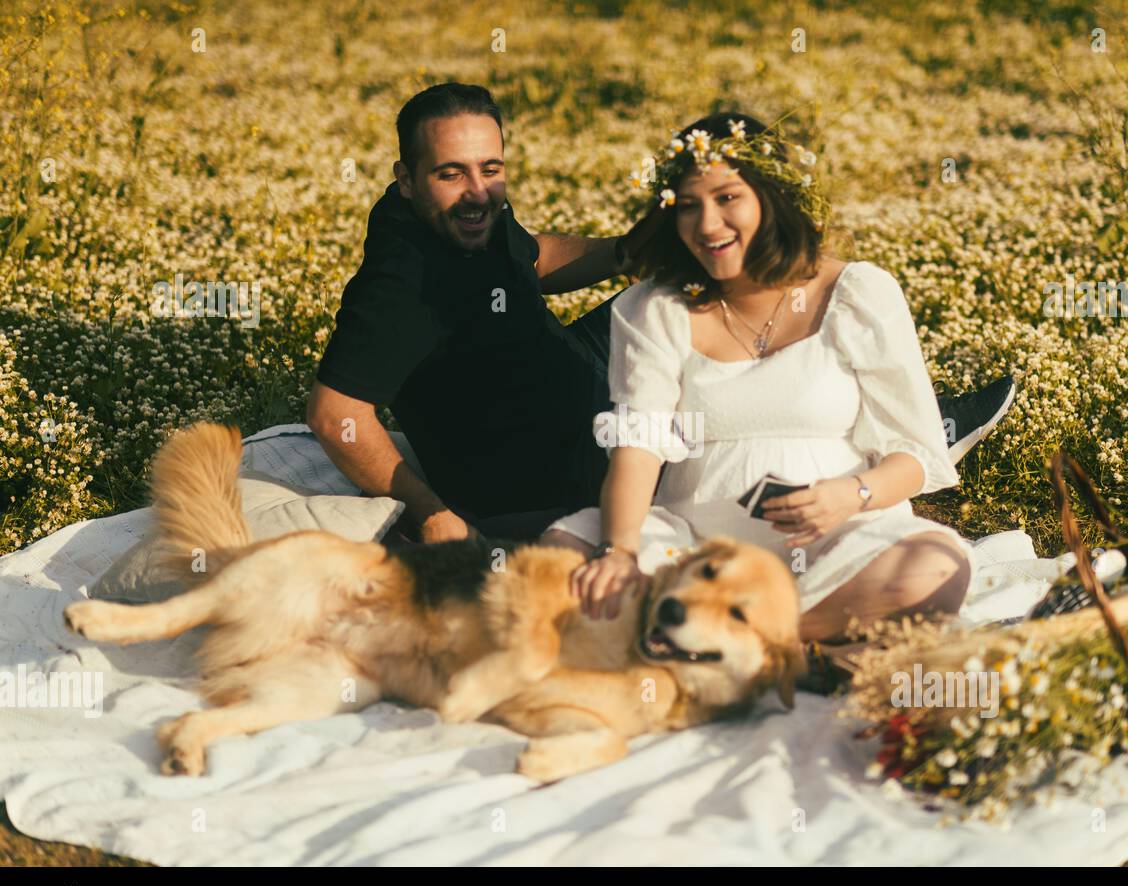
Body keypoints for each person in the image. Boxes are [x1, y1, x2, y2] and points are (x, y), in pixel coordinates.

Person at [309, 84, 1013, 552]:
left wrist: (626, 252)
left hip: (565, 366)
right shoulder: (401, 285)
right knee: (688, 318)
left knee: (706, 279)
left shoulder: (466, 217)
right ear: (407, 178)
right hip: (552, 456)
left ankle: (882, 419)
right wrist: (433, 513)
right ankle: (905, 439)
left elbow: (530, 259)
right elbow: (335, 410)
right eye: (451, 174)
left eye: (490, 168)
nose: (477, 192)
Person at [538, 111, 988, 655]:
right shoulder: (657, 307)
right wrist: (622, 552)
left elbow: (916, 453)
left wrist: (853, 494)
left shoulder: (856, 294)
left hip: (838, 543)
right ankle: (766, 648)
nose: (706, 224)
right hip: (696, 552)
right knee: (564, 554)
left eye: (727, 198)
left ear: (771, 197)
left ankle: (716, 641)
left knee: (935, 570)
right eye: (688, 206)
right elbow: (636, 448)